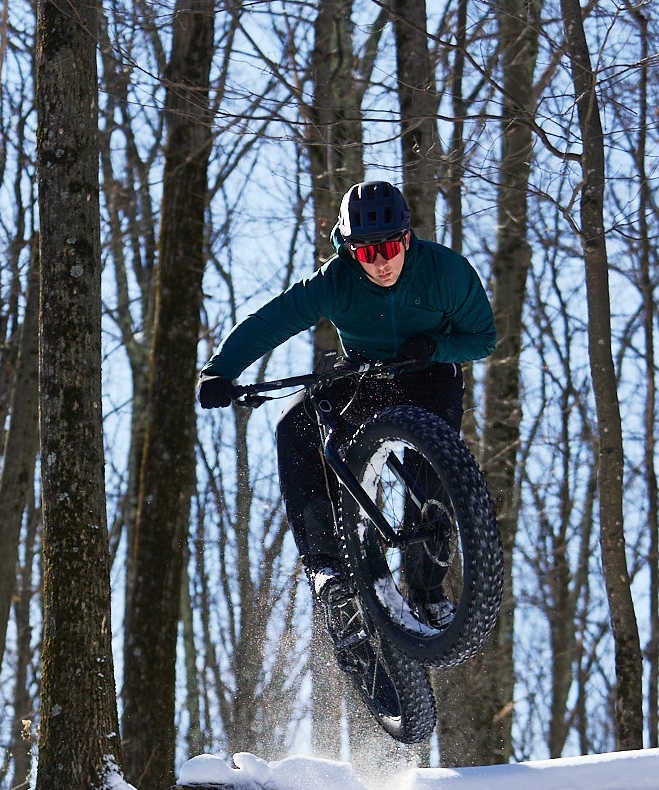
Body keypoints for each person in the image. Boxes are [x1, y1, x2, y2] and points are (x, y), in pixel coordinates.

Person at [195, 181, 495, 619]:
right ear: (350, 249)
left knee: (430, 467)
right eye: (367, 252)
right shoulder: (335, 281)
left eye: (390, 248)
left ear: (407, 238)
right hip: (365, 377)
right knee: (294, 426)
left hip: (428, 374)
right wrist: (221, 369)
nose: (382, 263)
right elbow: (273, 320)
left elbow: (482, 338)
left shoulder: (445, 272)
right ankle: (326, 567)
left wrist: (435, 346)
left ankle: (427, 592)